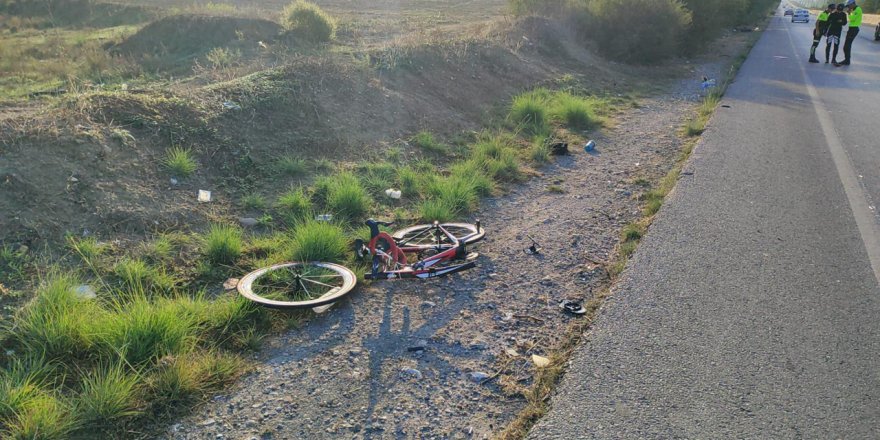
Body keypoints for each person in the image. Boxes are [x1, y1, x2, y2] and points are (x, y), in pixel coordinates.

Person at [839, 0, 862, 66]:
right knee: (846, 46)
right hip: (851, 28)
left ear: (853, 4)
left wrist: (849, 13)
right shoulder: (853, 9)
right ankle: (847, 60)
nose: (848, 7)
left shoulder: (858, 9)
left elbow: (852, 19)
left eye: (849, 6)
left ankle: (847, 60)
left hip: (854, 29)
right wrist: (850, 12)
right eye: (848, 6)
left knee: (847, 46)